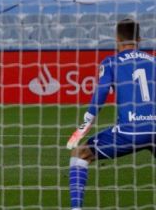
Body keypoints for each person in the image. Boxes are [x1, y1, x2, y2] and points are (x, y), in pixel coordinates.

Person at [66, 19, 156, 209]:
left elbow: (100, 93)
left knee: (80, 154)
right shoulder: (154, 61)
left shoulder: (111, 62)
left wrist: (85, 126)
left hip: (130, 131)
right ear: (139, 39)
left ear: (117, 39)